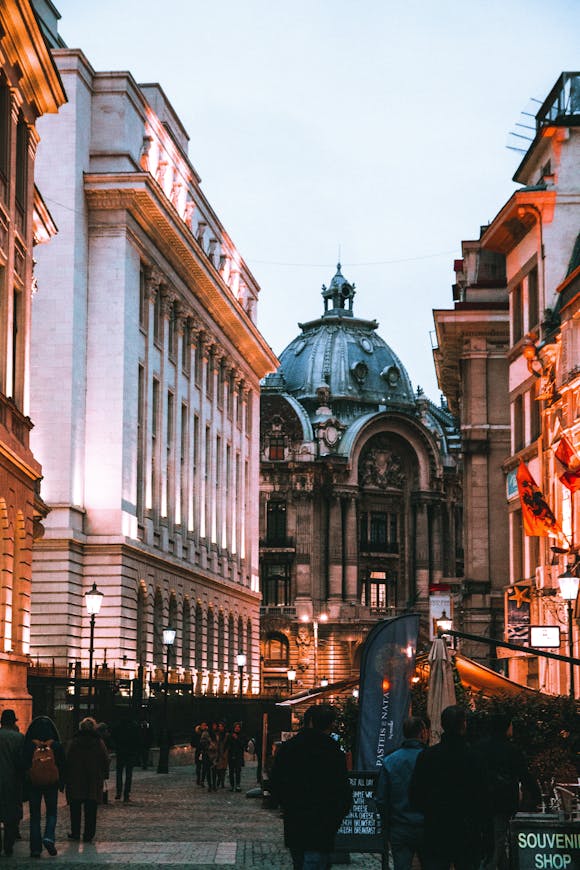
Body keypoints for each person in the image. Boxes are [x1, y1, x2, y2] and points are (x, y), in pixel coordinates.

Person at [269, 704, 352, 870]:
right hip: (323, 823)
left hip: (296, 819)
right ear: (329, 725)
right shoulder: (333, 751)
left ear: (309, 722)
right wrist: (337, 816)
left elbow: (275, 783)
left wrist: (286, 805)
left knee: (299, 862)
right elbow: (343, 789)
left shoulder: (289, 748)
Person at [410, 705, 488, 870]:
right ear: (463, 725)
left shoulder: (428, 756)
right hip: (467, 829)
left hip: (436, 828)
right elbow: (483, 797)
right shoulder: (474, 757)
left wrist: (430, 810)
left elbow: (415, 794)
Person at [479, 713, 540, 870]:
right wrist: (536, 795)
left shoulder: (480, 748)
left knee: (495, 840)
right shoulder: (512, 750)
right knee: (498, 840)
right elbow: (524, 775)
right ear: (506, 728)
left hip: (483, 801)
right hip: (503, 802)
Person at [375, 716, 429, 870]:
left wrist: (387, 824)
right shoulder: (431, 758)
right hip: (427, 825)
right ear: (422, 733)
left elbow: (381, 799)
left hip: (399, 825)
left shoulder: (391, 760)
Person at [23, 715, 66, 858]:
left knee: (35, 816)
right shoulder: (56, 745)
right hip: (51, 784)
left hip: (33, 784)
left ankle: (35, 848)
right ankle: (49, 837)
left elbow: (23, 765)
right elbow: (62, 765)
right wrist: (62, 783)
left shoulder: (29, 745)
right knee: (51, 813)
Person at [65, 717, 110, 843]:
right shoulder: (98, 742)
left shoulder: (74, 742)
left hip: (76, 779)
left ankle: (75, 832)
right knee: (91, 809)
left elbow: (67, 759)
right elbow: (105, 759)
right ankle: (88, 834)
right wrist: (104, 774)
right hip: (93, 779)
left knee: (75, 808)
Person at [0, 709, 24, 857]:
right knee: (11, 815)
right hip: (12, 781)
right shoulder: (19, 738)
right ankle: (8, 845)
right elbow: (22, 763)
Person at [111, 713, 140, 802]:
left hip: (121, 752)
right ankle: (126, 794)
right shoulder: (134, 726)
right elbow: (137, 739)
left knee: (119, 773)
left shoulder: (118, 726)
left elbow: (113, 738)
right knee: (128, 774)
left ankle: (118, 793)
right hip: (130, 752)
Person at [227, 722, 246, 792]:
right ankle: (232, 786)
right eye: (236, 727)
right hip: (231, 755)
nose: (237, 728)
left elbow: (243, 745)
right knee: (231, 771)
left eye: (238, 727)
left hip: (239, 755)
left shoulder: (242, 735)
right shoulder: (230, 736)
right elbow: (228, 745)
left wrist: (237, 739)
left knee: (238, 771)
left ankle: (238, 785)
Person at [214, 722, 229, 789]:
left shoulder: (226, 735)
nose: (220, 728)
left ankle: (222, 782)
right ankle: (219, 780)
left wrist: (225, 753)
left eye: (221, 726)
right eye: (219, 726)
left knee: (223, 769)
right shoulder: (217, 735)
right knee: (218, 769)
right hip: (218, 753)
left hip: (224, 753)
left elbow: (227, 745)